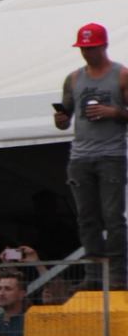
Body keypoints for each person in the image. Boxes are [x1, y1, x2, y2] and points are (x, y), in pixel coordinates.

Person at [55, 23, 128, 281]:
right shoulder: (74, 78)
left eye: (92, 48)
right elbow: (64, 117)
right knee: (87, 216)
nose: (87, 53)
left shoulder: (121, 75)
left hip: (111, 154)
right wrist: (61, 118)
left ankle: (118, 273)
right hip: (80, 155)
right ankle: (93, 272)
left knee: (112, 216)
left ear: (104, 45)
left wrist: (115, 112)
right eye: (84, 48)